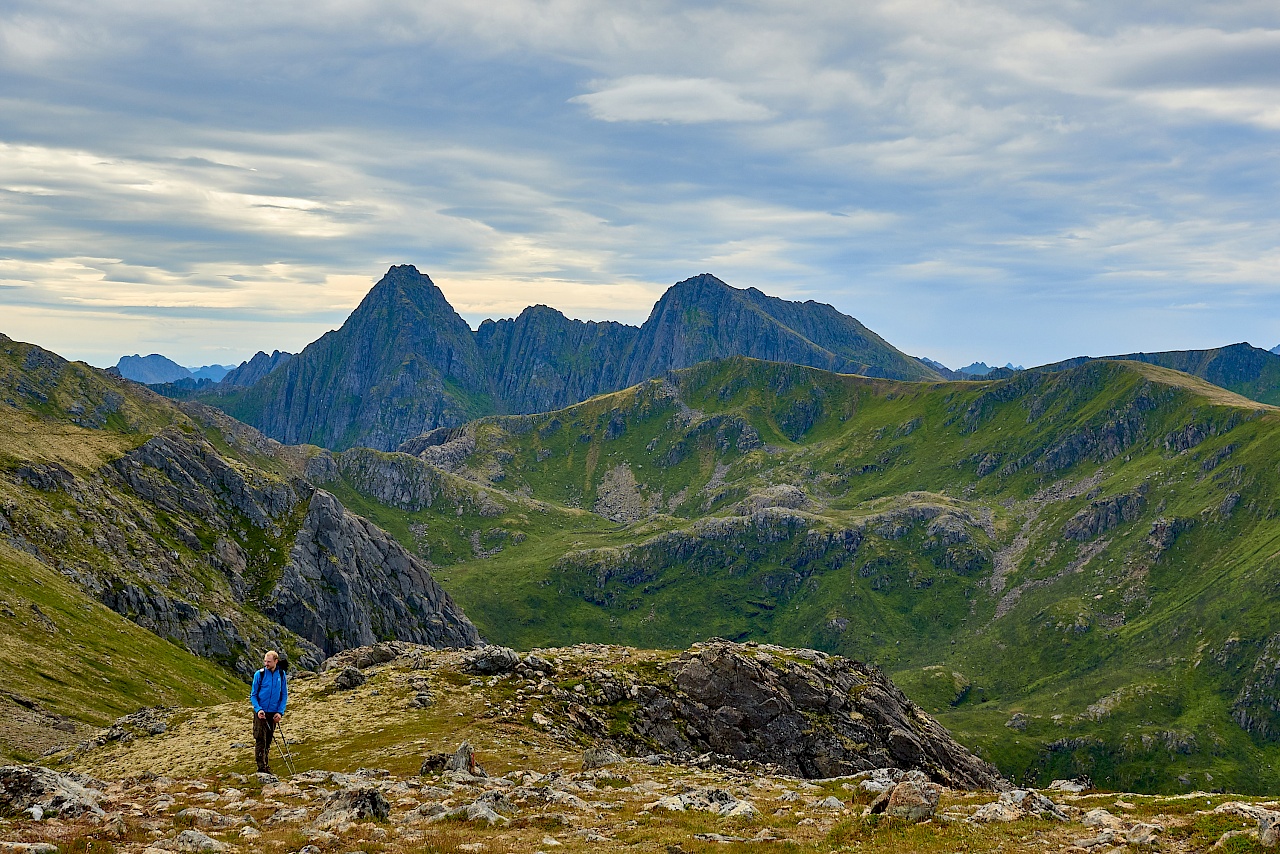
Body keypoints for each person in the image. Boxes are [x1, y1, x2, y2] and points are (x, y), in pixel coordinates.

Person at [250, 650, 288, 774]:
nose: (266, 664)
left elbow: (284, 695)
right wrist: (258, 709)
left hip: (273, 714)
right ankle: (261, 768)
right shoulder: (259, 675)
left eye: (269, 661)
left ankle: (266, 765)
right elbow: (253, 695)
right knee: (261, 740)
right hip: (261, 713)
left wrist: (280, 712)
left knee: (268, 740)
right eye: (265, 661)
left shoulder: (281, 675)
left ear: (276, 661)